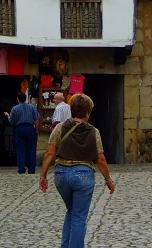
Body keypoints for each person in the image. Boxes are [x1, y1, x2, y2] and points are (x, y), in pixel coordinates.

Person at [39, 93, 115, 248]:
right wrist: (108, 180)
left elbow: (50, 154)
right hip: (83, 175)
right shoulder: (93, 132)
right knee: (79, 217)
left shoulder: (60, 128)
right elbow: (100, 159)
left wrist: (43, 176)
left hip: (61, 175)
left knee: (71, 211)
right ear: (87, 113)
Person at [8, 92, 40, 174]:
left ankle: (21, 168)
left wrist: (8, 116)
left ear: (18, 99)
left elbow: (12, 122)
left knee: (20, 149)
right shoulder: (32, 107)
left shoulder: (14, 108)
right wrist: (36, 130)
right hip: (30, 128)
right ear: (25, 98)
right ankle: (31, 169)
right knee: (32, 149)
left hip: (19, 129)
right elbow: (36, 119)